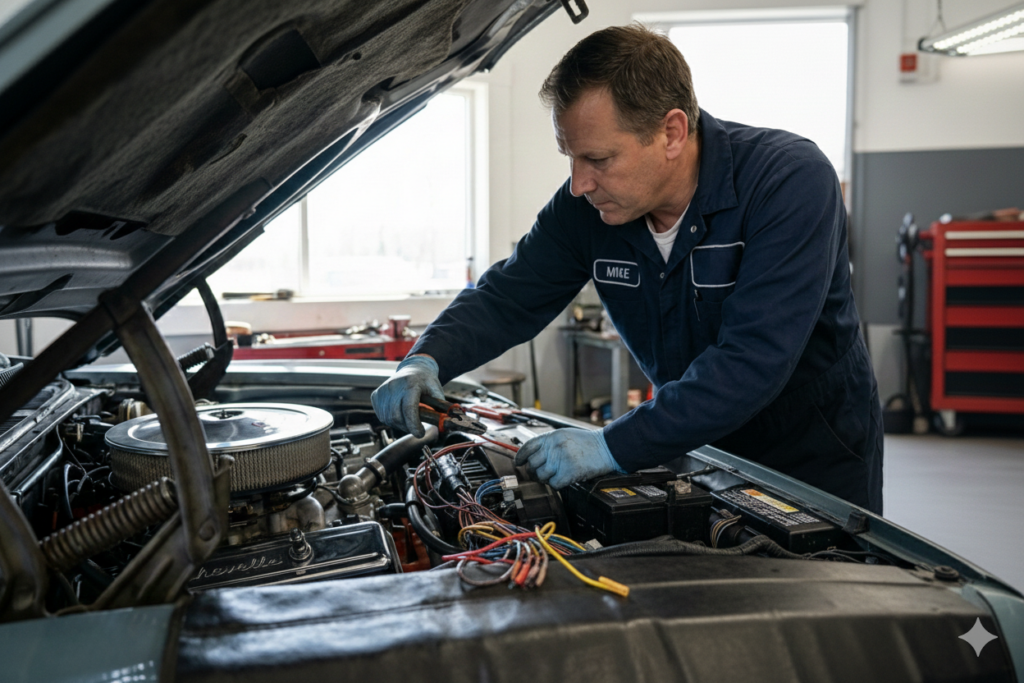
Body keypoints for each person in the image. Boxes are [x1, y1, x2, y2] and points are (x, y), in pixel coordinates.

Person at [372, 24, 883, 514]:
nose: (578, 184)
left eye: (597, 158)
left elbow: (754, 358)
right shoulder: (585, 211)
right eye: (570, 157)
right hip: (688, 442)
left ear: (672, 132)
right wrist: (427, 359)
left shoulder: (787, 182)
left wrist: (612, 445)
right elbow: (508, 295)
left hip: (810, 456)